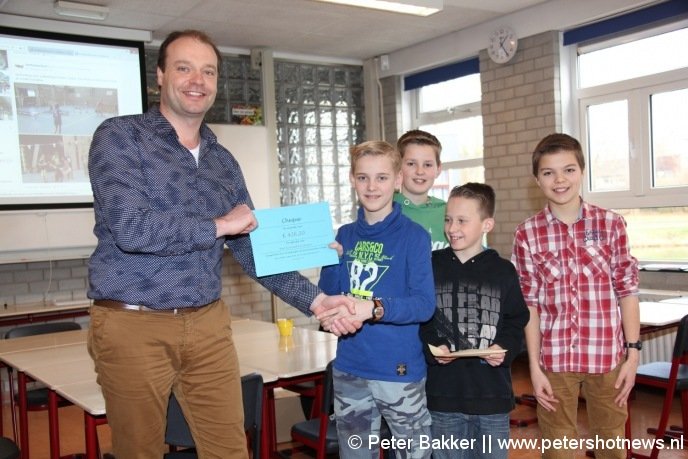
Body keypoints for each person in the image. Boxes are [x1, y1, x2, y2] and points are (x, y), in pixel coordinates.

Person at [87, 29, 357, 459]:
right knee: (139, 451)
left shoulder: (222, 161)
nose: (198, 79)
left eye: (208, 71)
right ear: (159, 75)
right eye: (184, 67)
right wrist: (219, 225)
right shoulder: (121, 138)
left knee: (229, 448)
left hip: (208, 324)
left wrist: (315, 300)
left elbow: (250, 248)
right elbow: (132, 228)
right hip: (133, 323)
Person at [511, 133, 640, 459]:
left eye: (568, 170)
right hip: (554, 362)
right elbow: (530, 303)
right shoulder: (527, 233)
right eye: (548, 172)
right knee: (558, 449)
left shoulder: (611, 224)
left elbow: (627, 290)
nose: (559, 180)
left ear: (582, 171)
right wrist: (535, 368)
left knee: (611, 445)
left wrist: (633, 354)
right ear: (537, 180)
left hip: (607, 359)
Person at [318, 140, 436, 459]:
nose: (372, 187)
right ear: (353, 179)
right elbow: (328, 300)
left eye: (382, 177)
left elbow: (424, 304)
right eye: (363, 178)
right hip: (350, 368)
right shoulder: (343, 235)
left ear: (398, 181)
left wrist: (374, 308)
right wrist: (333, 263)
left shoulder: (414, 236)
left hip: (398, 370)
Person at [420, 182, 529, 459]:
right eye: (448, 219)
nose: (452, 228)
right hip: (443, 397)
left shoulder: (503, 271)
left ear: (486, 224)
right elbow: (421, 317)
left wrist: (503, 347)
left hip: (492, 398)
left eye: (462, 221)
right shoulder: (431, 265)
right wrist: (433, 347)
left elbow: (516, 319)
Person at [394, 129, 448, 251]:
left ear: (438, 169)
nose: (420, 171)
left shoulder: (448, 213)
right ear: (398, 167)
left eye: (427, 165)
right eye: (411, 164)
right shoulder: (385, 209)